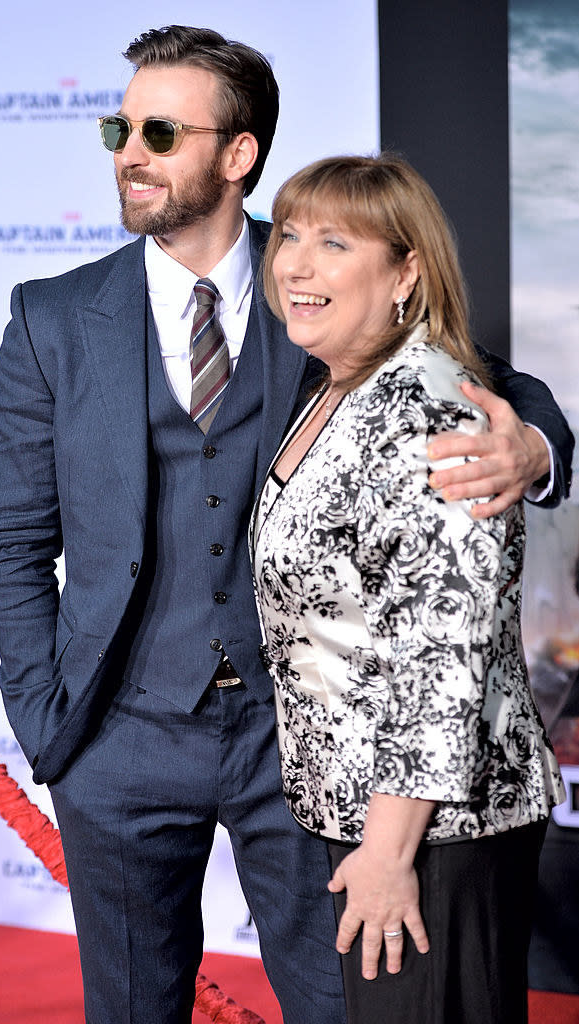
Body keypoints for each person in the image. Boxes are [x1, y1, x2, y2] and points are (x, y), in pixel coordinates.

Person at [0, 25, 572, 1024]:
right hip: (116, 739)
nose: (130, 150)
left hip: (294, 742)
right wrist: (50, 719)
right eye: (119, 126)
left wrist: (535, 448)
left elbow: (497, 383)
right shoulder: (51, 316)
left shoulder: (321, 283)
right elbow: (13, 539)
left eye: (160, 130)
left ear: (238, 154)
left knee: (341, 1001)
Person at [251, 153, 566, 1024]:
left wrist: (389, 852)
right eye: (288, 236)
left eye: (334, 242)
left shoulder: (428, 413)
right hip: (364, 813)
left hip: (431, 830)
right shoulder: (337, 385)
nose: (296, 265)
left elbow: (441, 657)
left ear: (406, 271)